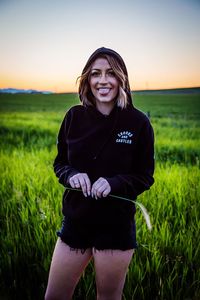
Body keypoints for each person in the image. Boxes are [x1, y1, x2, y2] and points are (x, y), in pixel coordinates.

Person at [45, 47, 154, 300]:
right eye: (95, 74)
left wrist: (113, 183)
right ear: (87, 80)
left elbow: (145, 175)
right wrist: (71, 174)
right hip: (76, 222)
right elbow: (60, 163)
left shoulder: (138, 123)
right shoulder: (74, 116)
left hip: (116, 227)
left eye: (110, 73)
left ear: (121, 79)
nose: (102, 80)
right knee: (54, 296)